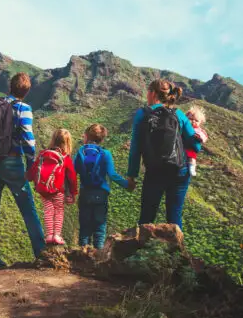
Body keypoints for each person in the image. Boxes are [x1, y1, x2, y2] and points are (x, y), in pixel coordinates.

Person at [0, 73, 45, 268]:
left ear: (10, 87)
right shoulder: (23, 108)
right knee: (28, 210)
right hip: (12, 163)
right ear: (27, 91)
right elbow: (29, 140)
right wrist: (31, 165)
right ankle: (41, 253)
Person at [127, 79, 201, 230]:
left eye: (148, 91)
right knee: (174, 218)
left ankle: (142, 250)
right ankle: (176, 252)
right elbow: (196, 145)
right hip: (179, 170)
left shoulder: (142, 114)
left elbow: (135, 147)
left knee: (147, 217)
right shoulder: (179, 114)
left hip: (154, 171)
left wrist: (132, 176)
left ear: (153, 93)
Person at [74, 124, 130, 249]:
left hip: (85, 193)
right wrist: (127, 184)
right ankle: (98, 256)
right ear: (102, 139)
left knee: (84, 227)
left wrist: (69, 191)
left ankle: (82, 255)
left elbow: (72, 172)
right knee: (99, 227)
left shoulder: (80, 152)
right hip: (101, 194)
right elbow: (112, 175)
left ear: (87, 136)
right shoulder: (106, 154)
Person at [27, 129, 78, 245]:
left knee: (48, 211)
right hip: (58, 190)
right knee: (59, 211)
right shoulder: (65, 158)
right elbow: (72, 177)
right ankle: (57, 235)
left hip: (44, 190)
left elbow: (34, 169)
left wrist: (28, 178)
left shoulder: (42, 154)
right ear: (68, 143)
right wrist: (73, 193)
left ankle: (49, 235)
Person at [185, 105, 209, 176]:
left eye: (196, 120)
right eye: (191, 119)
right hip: (182, 148)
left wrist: (199, 137)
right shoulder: (184, 127)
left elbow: (204, 136)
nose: (193, 121)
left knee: (192, 159)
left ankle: (192, 167)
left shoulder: (199, 130)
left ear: (200, 122)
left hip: (191, 149)